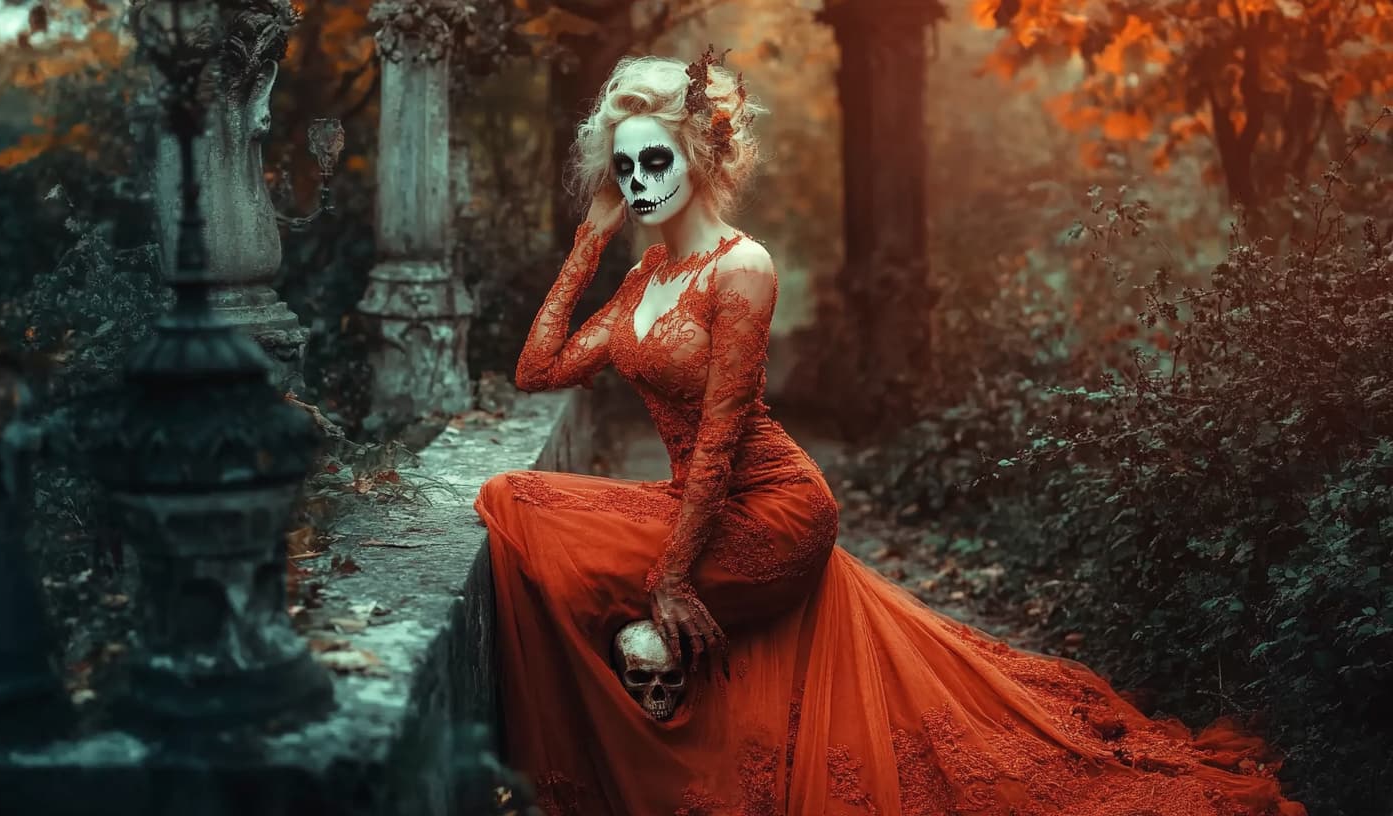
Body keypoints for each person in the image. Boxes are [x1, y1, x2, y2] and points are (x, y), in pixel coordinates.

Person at [473, 47, 1306, 816]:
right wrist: (590, 240)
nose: (641, 180)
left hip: (772, 510)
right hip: (695, 499)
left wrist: (673, 577)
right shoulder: (647, 274)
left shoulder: (743, 268)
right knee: (516, 500)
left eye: (656, 159)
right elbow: (536, 371)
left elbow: (723, 436)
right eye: (624, 168)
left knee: (590, 575)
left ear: (700, 155)